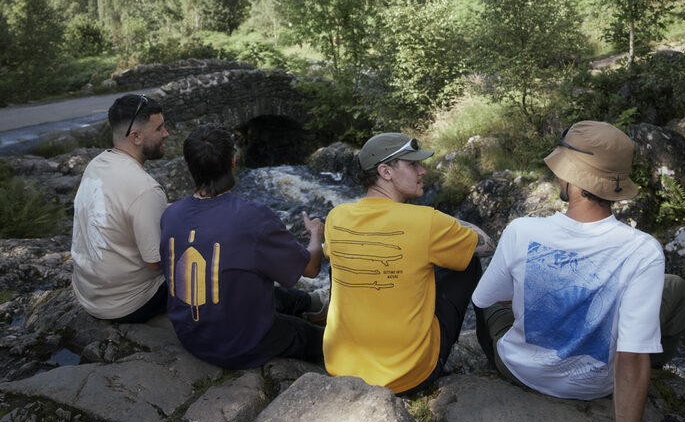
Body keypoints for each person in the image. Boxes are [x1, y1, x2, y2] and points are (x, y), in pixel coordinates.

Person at [472, 120, 685, 422]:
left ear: (570, 179)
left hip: (519, 370)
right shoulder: (643, 251)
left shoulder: (522, 231)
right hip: (598, 382)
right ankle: (657, 364)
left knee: (486, 295)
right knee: (675, 288)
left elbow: (486, 300)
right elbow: (630, 357)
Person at [323, 132, 494, 395]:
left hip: (341, 369)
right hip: (407, 376)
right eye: (413, 164)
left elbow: (327, 251)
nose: (422, 171)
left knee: (343, 260)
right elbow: (486, 244)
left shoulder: (336, 217)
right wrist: (447, 223)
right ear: (385, 171)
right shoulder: (427, 221)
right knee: (467, 263)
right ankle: (486, 350)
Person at [160, 123, 326, 369]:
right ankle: (317, 314)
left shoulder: (170, 213)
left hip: (190, 334)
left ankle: (313, 303)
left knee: (274, 292)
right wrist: (316, 234)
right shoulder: (253, 217)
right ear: (233, 162)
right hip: (237, 345)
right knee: (319, 340)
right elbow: (311, 269)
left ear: (190, 167)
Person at [71, 93, 169, 322]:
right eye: (159, 129)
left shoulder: (97, 164)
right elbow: (156, 263)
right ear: (135, 137)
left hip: (88, 294)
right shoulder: (145, 189)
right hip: (127, 304)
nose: (166, 133)